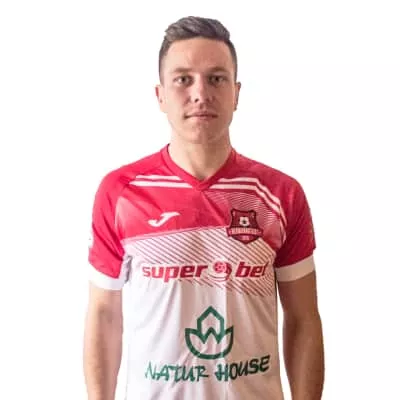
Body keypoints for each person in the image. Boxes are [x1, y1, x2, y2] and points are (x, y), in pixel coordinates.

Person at [83, 15, 325, 400]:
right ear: (160, 95)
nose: (200, 93)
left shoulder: (281, 194)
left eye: (216, 79)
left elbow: (303, 318)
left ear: (236, 93)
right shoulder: (121, 193)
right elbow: (104, 315)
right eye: (183, 79)